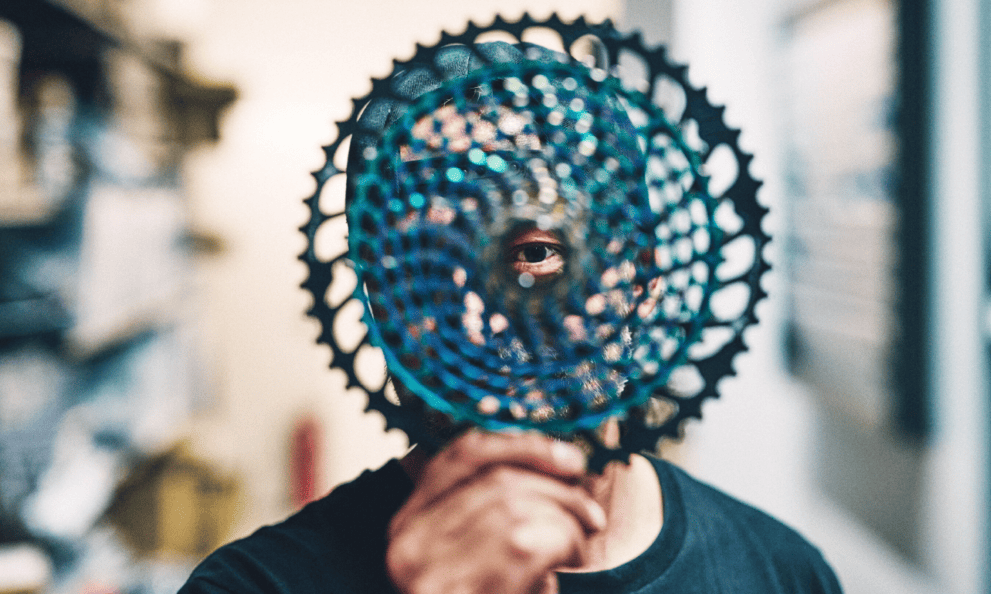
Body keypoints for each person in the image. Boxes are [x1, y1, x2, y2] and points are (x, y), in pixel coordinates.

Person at [179, 41, 843, 594]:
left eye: (535, 253)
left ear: (639, 275)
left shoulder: (781, 574)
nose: (475, 326)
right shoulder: (252, 587)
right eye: (420, 267)